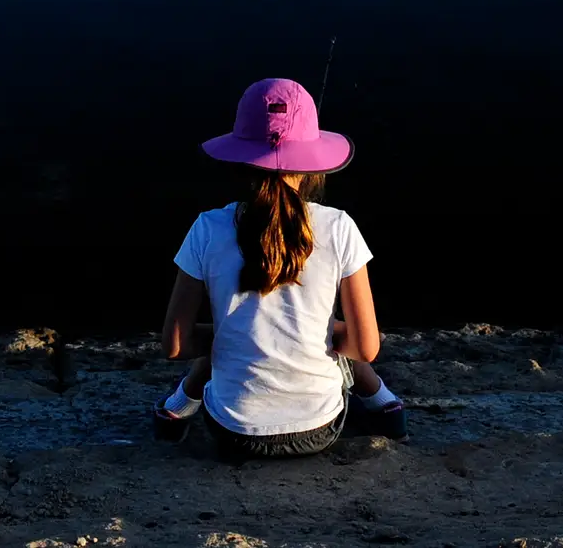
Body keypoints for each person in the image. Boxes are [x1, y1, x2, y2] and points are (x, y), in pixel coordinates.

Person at [153, 77, 406, 459]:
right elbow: (364, 347)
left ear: (241, 156)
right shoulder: (338, 226)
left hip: (232, 431)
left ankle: (178, 408)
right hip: (319, 429)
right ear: (312, 161)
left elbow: (175, 345)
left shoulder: (207, 227)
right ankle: (385, 405)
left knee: (234, 330)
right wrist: (313, 332)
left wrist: (241, 333)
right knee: (328, 337)